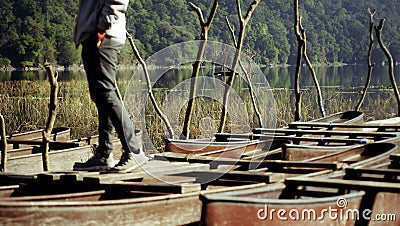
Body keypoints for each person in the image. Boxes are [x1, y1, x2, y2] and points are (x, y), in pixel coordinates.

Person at [72, 0, 148, 172]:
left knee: (106, 93)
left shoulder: (102, 32)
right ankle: (104, 155)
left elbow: (117, 2)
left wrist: (101, 29)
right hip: (95, 35)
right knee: (101, 95)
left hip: (103, 36)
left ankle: (134, 151)